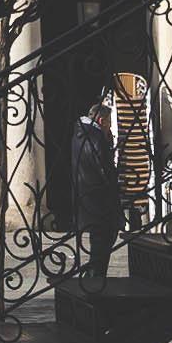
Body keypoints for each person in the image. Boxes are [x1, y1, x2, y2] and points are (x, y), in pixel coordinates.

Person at [70, 93, 123, 290]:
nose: (110, 128)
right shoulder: (96, 137)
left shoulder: (79, 134)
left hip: (87, 197)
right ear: (101, 120)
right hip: (100, 199)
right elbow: (104, 168)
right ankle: (95, 280)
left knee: (97, 242)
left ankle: (93, 278)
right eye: (109, 123)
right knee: (104, 240)